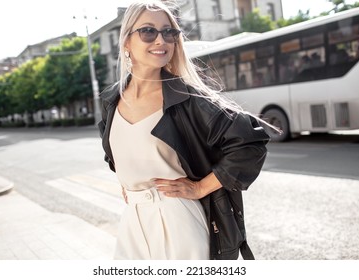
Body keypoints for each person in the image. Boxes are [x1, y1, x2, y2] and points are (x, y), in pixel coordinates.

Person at [98, 0, 271, 260]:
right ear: (126, 41)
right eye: (148, 31)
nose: (161, 40)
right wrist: (129, 180)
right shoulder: (111, 99)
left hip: (179, 221)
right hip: (132, 221)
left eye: (169, 32)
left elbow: (250, 143)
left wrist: (201, 188)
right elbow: (114, 152)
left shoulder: (187, 97)